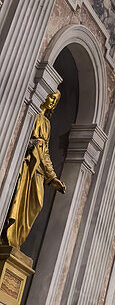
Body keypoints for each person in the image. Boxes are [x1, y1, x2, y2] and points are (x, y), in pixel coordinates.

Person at [2, 93, 65, 251]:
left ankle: (16, 242)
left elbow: (46, 153)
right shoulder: (34, 114)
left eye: (55, 101)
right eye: (51, 97)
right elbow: (19, 134)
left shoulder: (46, 124)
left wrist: (52, 178)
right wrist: (32, 144)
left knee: (37, 203)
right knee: (19, 200)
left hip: (39, 171)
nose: (52, 102)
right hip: (28, 166)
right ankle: (9, 238)